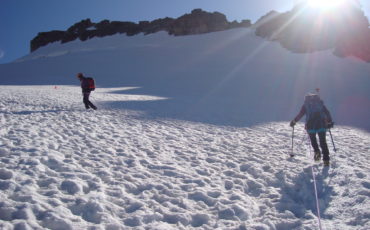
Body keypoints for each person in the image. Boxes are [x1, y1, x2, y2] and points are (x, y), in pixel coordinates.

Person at [290, 93, 334, 166]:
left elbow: (300, 114)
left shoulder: (306, 105)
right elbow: (327, 112)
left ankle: (317, 152)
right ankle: (326, 160)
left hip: (311, 126)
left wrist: (294, 121)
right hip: (321, 124)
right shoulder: (320, 104)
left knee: (313, 140)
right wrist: (329, 121)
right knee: (323, 142)